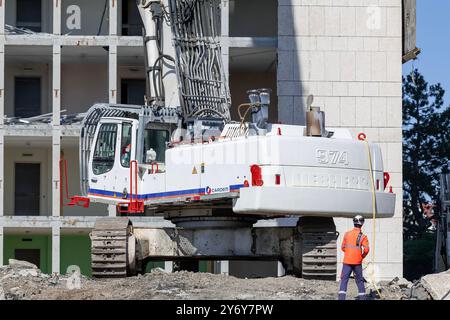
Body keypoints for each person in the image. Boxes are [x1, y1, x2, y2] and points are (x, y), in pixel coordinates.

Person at [338, 215, 370, 300]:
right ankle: (362, 298)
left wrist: (349, 253)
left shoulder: (347, 234)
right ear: (362, 223)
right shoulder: (363, 237)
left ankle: (341, 298)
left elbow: (342, 247)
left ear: (354, 222)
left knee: (344, 280)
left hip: (347, 262)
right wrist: (361, 256)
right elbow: (366, 249)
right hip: (357, 262)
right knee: (359, 281)